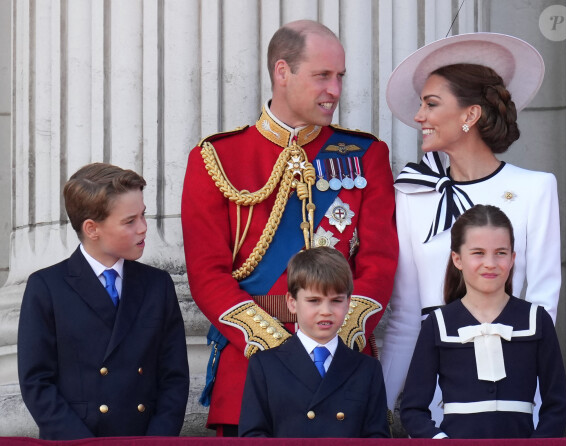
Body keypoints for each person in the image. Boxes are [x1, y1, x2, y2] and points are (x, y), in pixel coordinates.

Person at [181, 20, 398, 435]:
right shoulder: (217, 158)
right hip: (250, 365)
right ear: (282, 72)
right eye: (322, 76)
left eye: (340, 77)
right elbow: (207, 274)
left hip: (340, 364)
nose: (335, 89)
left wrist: (335, 332)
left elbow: (380, 261)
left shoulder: (365, 154)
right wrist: (278, 347)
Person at [380, 33, 561, 423]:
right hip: (435, 395)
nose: (418, 116)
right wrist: (376, 409)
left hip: (511, 394)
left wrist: (540, 412)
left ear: (470, 115)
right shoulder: (412, 194)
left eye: (431, 104)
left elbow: (543, 308)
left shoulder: (536, 188)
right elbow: (406, 316)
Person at [18, 163, 190, 440]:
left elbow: (174, 378)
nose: (144, 228)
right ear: (92, 228)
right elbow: (37, 383)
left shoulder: (157, 285)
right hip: (75, 441)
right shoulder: (47, 287)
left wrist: (158, 441)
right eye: (129, 221)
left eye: (143, 216)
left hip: (145, 439)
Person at [400, 204, 566, 438]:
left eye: (501, 252)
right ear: (457, 259)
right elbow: (412, 410)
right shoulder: (437, 324)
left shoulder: (536, 320)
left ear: (512, 258)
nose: (490, 263)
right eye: (478, 253)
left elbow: (557, 407)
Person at [238, 247, 390, 438]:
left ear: (349, 302)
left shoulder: (368, 369)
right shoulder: (265, 365)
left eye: (336, 300)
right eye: (314, 300)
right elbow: (253, 436)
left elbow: (376, 438)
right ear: (292, 302)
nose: (326, 311)